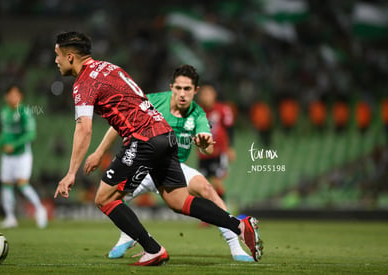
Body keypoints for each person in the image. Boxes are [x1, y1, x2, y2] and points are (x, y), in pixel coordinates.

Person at [53, 31, 262, 266]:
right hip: (164, 135)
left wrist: (71, 172)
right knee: (178, 200)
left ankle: (152, 249)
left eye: (58, 55)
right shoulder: (109, 67)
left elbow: (84, 129)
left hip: (142, 139)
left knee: (104, 198)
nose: (56, 60)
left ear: (70, 56)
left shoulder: (84, 83)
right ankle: (239, 226)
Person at [84, 65, 255, 262]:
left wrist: (204, 145)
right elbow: (118, 124)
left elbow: (207, 145)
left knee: (207, 188)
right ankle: (130, 235)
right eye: (178, 88)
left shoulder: (198, 113)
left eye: (187, 89)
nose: (182, 94)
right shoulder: (151, 100)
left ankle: (235, 245)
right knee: (111, 197)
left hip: (173, 167)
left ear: (195, 91)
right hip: (144, 164)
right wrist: (99, 152)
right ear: (171, 87)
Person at [0, 84, 48, 229]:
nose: (14, 97)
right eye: (11, 94)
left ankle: (40, 210)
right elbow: (4, 133)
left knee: (22, 184)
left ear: (20, 96)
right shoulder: (4, 112)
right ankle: (10, 217)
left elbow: (31, 134)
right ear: (6, 97)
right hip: (7, 157)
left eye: (17, 94)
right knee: (6, 184)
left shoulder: (24, 112)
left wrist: (14, 145)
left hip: (22, 155)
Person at [197, 84, 236, 200]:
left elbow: (230, 129)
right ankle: (210, 212)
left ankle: (223, 209)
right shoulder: (196, 111)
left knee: (216, 181)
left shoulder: (223, 109)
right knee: (202, 184)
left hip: (219, 152)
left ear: (214, 95)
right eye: (203, 94)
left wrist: (231, 147)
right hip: (203, 154)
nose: (206, 97)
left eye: (208, 93)